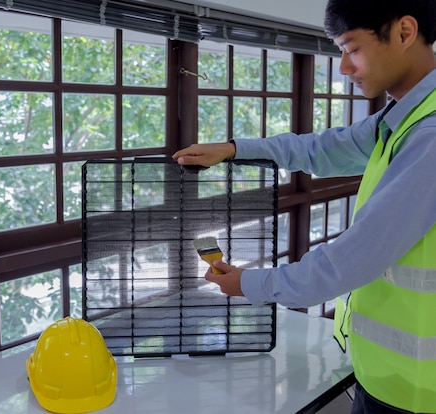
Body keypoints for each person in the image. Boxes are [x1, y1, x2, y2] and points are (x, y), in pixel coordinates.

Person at [173, 0, 436, 413]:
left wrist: (249, 284)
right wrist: (235, 149)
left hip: (417, 395)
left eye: (351, 49)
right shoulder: (404, 118)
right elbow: (323, 148)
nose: (344, 68)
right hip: (389, 377)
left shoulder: (430, 135)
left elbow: (351, 260)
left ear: (404, 32)